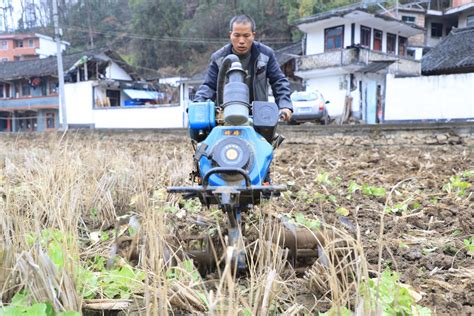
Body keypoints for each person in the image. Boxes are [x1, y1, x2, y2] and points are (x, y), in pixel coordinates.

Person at [193, 14, 293, 121]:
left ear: (253, 35)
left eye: (246, 36)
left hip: (259, 117)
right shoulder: (218, 58)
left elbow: (279, 81)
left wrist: (285, 106)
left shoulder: (266, 55)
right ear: (230, 35)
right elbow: (209, 86)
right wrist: (198, 103)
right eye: (236, 35)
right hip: (225, 117)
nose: (241, 41)